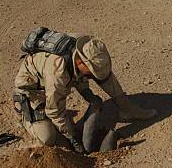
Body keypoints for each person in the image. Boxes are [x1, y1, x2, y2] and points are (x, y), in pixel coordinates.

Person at [13, 33, 157, 153]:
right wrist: (73, 139)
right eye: (91, 72)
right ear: (81, 63)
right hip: (32, 92)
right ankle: (24, 115)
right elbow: (55, 111)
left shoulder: (85, 47)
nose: (92, 76)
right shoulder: (57, 74)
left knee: (103, 75)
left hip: (54, 83)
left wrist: (87, 93)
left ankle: (128, 110)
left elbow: (77, 74)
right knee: (48, 138)